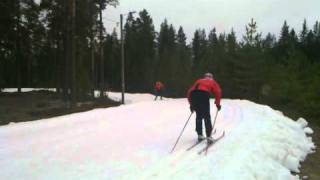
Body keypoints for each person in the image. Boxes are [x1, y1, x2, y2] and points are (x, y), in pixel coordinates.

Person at [187, 73, 222, 144]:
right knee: (206, 116)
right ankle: (209, 136)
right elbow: (218, 92)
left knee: (199, 116)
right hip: (203, 95)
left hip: (194, 95)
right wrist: (218, 104)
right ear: (211, 77)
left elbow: (189, 92)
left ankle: (200, 135)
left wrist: (192, 105)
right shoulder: (212, 81)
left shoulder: (199, 80)